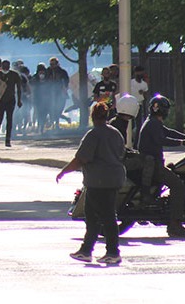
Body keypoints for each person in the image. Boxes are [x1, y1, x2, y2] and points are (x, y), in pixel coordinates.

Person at [56, 102, 126, 265]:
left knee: (100, 217)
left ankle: (111, 252)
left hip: (98, 182)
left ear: (92, 117)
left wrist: (64, 171)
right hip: (114, 179)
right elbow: (122, 153)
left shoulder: (93, 135)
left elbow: (81, 159)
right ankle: (87, 250)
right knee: (101, 216)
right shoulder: (116, 133)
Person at [137, 94, 185, 237]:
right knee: (178, 185)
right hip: (153, 165)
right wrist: (183, 143)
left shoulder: (152, 122)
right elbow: (162, 139)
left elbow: (168, 132)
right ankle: (175, 224)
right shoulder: (153, 123)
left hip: (151, 163)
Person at [108, 94, 156, 204]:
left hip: (114, 159)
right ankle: (145, 192)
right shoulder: (119, 124)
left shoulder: (115, 121)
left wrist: (132, 152)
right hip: (118, 162)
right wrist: (132, 154)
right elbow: (118, 148)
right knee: (149, 160)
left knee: (140, 156)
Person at [0, 60, 22, 149]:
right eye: (4, 66)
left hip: (10, 100)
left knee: (9, 120)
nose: (5, 68)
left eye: (7, 66)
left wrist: (19, 100)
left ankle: (8, 140)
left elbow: (19, 88)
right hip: (0, 101)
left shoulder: (14, 75)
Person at [45, 57, 69, 130]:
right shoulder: (47, 71)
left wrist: (64, 88)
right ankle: (53, 123)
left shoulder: (62, 72)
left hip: (60, 92)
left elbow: (66, 81)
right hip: (50, 93)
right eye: (51, 64)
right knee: (51, 109)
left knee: (59, 108)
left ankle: (57, 124)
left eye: (53, 64)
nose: (52, 66)